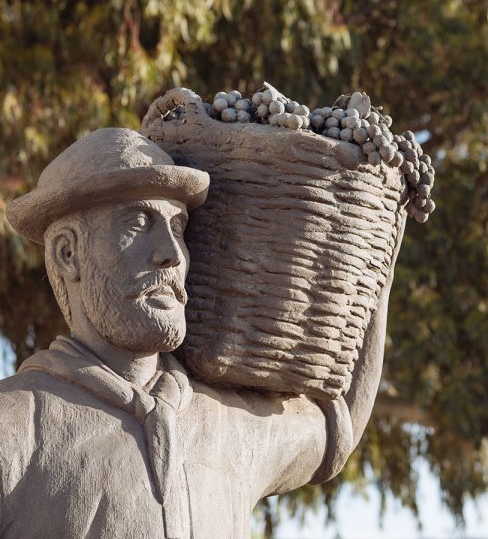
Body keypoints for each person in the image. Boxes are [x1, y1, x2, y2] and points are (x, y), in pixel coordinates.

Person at [0, 127, 395, 539]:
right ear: (68, 253)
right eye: (137, 222)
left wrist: (379, 261)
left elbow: (336, 425)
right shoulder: (13, 426)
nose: (171, 253)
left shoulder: (232, 428)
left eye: (179, 227)